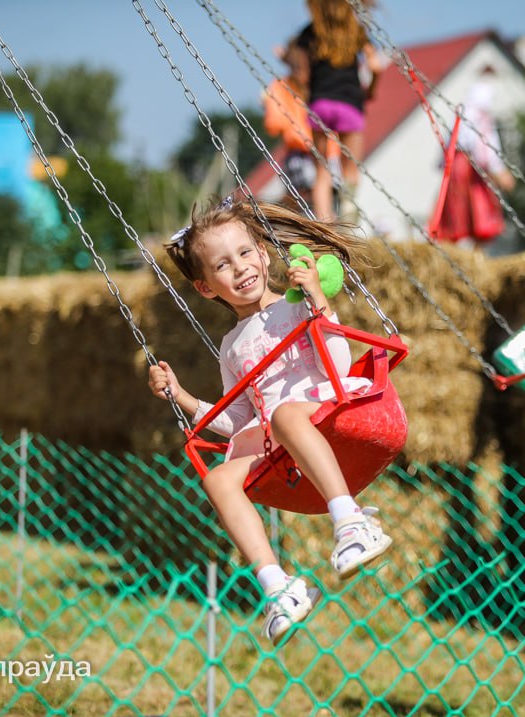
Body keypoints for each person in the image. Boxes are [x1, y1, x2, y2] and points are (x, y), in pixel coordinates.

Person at [148, 198, 393, 647]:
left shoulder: (296, 307)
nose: (240, 268)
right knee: (219, 479)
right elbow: (240, 418)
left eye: (245, 253)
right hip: (276, 438)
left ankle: (351, 521)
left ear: (263, 253)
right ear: (206, 288)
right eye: (223, 264)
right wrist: (181, 397)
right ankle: (279, 587)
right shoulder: (230, 346)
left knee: (282, 415)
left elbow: (337, 364)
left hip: (326, 410)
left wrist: (318, 299)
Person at [292, 0, 383, 222]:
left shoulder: (310, 32)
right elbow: (375, 66)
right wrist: (370, 90)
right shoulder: (356, 32)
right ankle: (349, 220)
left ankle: (325, 224)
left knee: (322, 171)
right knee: (350, 171)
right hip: (350, 104)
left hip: (320, 104)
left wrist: (305, 92)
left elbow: (302, 75)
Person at [432, 65, 516, 249]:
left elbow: (448, 146)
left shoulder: (462, 115)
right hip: (471, 170)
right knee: (479, 214)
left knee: (457, 215)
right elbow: (484, 149)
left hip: (457, 167)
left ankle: (460, 252)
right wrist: (498, 171)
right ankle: (475, 255)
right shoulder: (480, 117)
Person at [262, 37, 340, 209]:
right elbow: (274, 124)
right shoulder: (294, 86)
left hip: (315, 151)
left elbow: (273, 124)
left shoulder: (282, 87)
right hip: (318, 151)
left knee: (315, 197)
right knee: (319, 195)